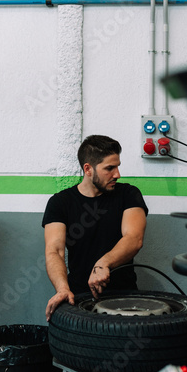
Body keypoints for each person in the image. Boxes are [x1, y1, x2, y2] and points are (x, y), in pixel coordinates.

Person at [42, 135, 148, 321]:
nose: (117, 174)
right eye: (109, 168)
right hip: (79, 299)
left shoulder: (129, 194)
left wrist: (103, 263)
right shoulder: (59, 203)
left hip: (126, 298)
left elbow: (134, 238)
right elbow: (55, 251)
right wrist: (63, 289)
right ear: (88, 169)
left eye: (118, 166)